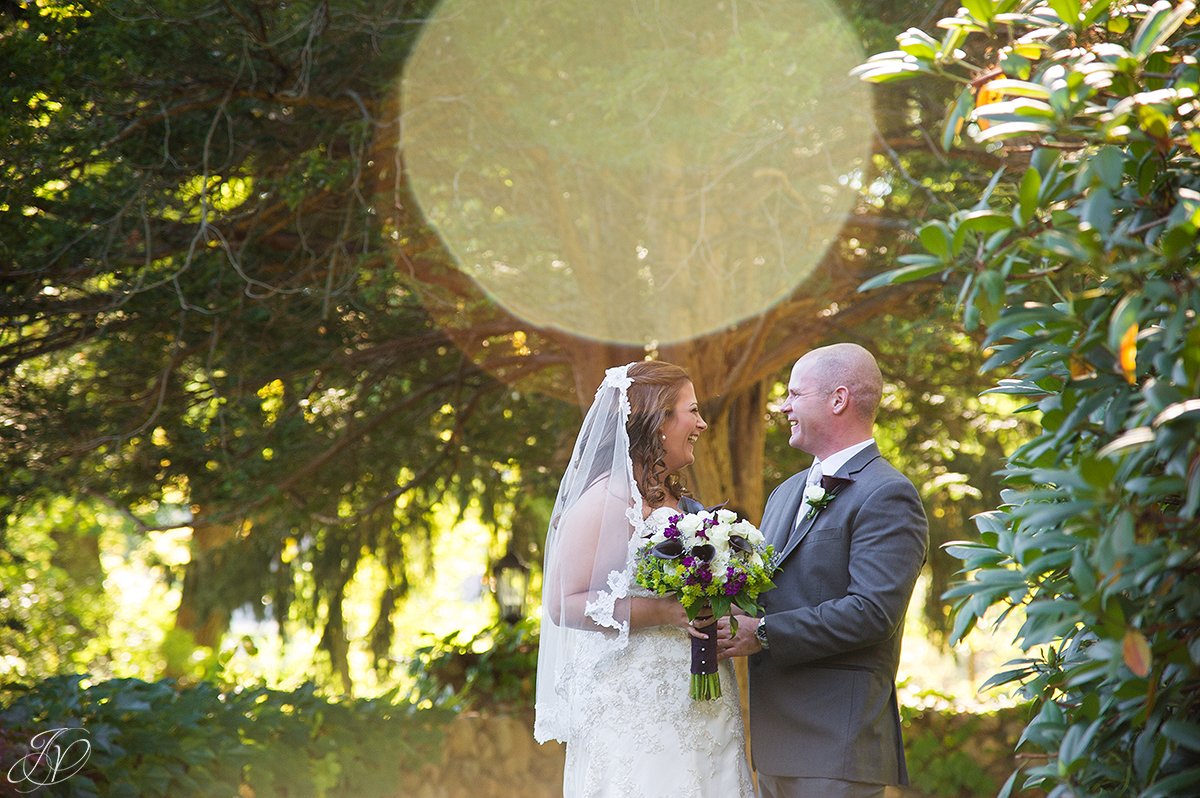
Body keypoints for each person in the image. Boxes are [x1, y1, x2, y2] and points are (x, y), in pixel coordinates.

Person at [534, 360, 755, 797]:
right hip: (640, 705)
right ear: (658, 420)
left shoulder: (676, 497)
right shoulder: (606, 497)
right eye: (691, 411)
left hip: (702, 698)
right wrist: (666, 612)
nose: (702, 423)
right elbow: (565, 601)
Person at [717, 343, 928, 798]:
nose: (784, 406)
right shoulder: (785, 492)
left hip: (837, 742)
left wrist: (765, 633)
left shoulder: (887, 494)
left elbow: (872, 611)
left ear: (838, 399)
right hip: (775, 739)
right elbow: (767, 591)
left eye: (794, 394)